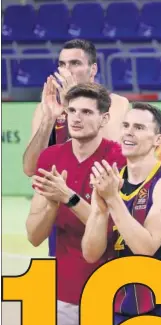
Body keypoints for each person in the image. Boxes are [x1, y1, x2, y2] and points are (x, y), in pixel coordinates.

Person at [81, 102, 161, 325]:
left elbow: (146, 248)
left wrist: (112, 200)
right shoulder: (111, 180)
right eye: (125, 125)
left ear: (158, 140)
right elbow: (91, 253)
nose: (129, 132)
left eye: (139, 127)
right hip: (118, 304)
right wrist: (101, 211)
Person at [26, 83, 126, 325]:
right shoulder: (51, 158)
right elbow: (34, 236)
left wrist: (67, 197)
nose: (76, 118)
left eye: (86, 112)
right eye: (72, 111)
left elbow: (113, 228)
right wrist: (51, 203)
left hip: (112, 291)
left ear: (104, 119)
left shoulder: (118, 158)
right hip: (64, 292)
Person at [22, 39, 129, 257]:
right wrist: (48, 119)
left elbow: (115, 153)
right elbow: (31, 167)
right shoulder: (47, 107)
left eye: (75, 63)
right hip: (60, 204)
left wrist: (75, 100)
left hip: (100, 200)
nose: (66, 70)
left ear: (93, 69)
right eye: (62, 64)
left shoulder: (116, 103)